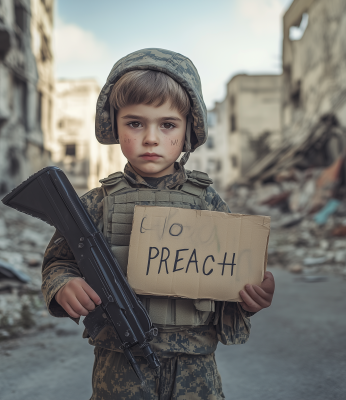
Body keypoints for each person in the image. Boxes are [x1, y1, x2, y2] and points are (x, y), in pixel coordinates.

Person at [42, 48, 275, 400]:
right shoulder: (96, 204)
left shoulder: (207, 202)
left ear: (188, 130)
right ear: (115, 126)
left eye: (167, 125)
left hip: (194, 362)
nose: (151, 138)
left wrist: (252, 294)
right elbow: (58, 261)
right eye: (135, 123)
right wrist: (65, 284)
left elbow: (229, 273)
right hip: (121, 361)